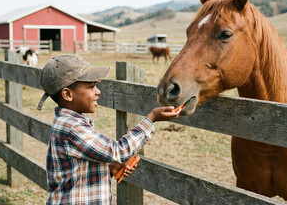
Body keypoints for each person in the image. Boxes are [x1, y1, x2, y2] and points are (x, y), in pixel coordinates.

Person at [37, 54, 181, 205]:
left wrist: (108, 169)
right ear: (67, 94)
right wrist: (151, 119)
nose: (98, 91)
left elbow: (78, 169)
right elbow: (117, 151)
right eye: (91, 86)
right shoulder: (72, 127)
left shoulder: (69, 122)